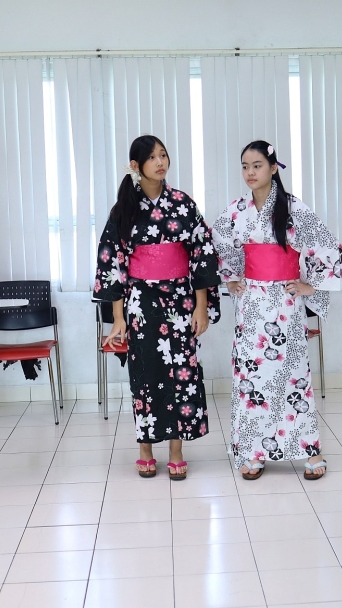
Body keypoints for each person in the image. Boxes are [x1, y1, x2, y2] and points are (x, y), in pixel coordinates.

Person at [212, 141, 342, 480]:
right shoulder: (236, 210)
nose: (250, 172)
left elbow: (325, 244)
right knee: (252, 377)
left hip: (285, 302)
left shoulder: (294, 208)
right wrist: (231, 278)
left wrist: (310, 285)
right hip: (252, 302)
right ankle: (254, 452)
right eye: (245, 166)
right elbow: (221, 242)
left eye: (257, 165)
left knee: (292, 375)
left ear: (273, 168)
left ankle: (309, 450)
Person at [95, 135, 221, 480]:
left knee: (182, 373)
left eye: (163, 155)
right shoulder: (124, 209)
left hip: (180, 298)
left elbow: (201, 254)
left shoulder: (182, 203)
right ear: (136, 166)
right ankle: (146, 449)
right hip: (141, 301)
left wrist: (200, 307)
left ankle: (177, 450)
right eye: (152, 157)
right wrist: (118, 318)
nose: (160, 162)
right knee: (146, 374)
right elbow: (113, 263)